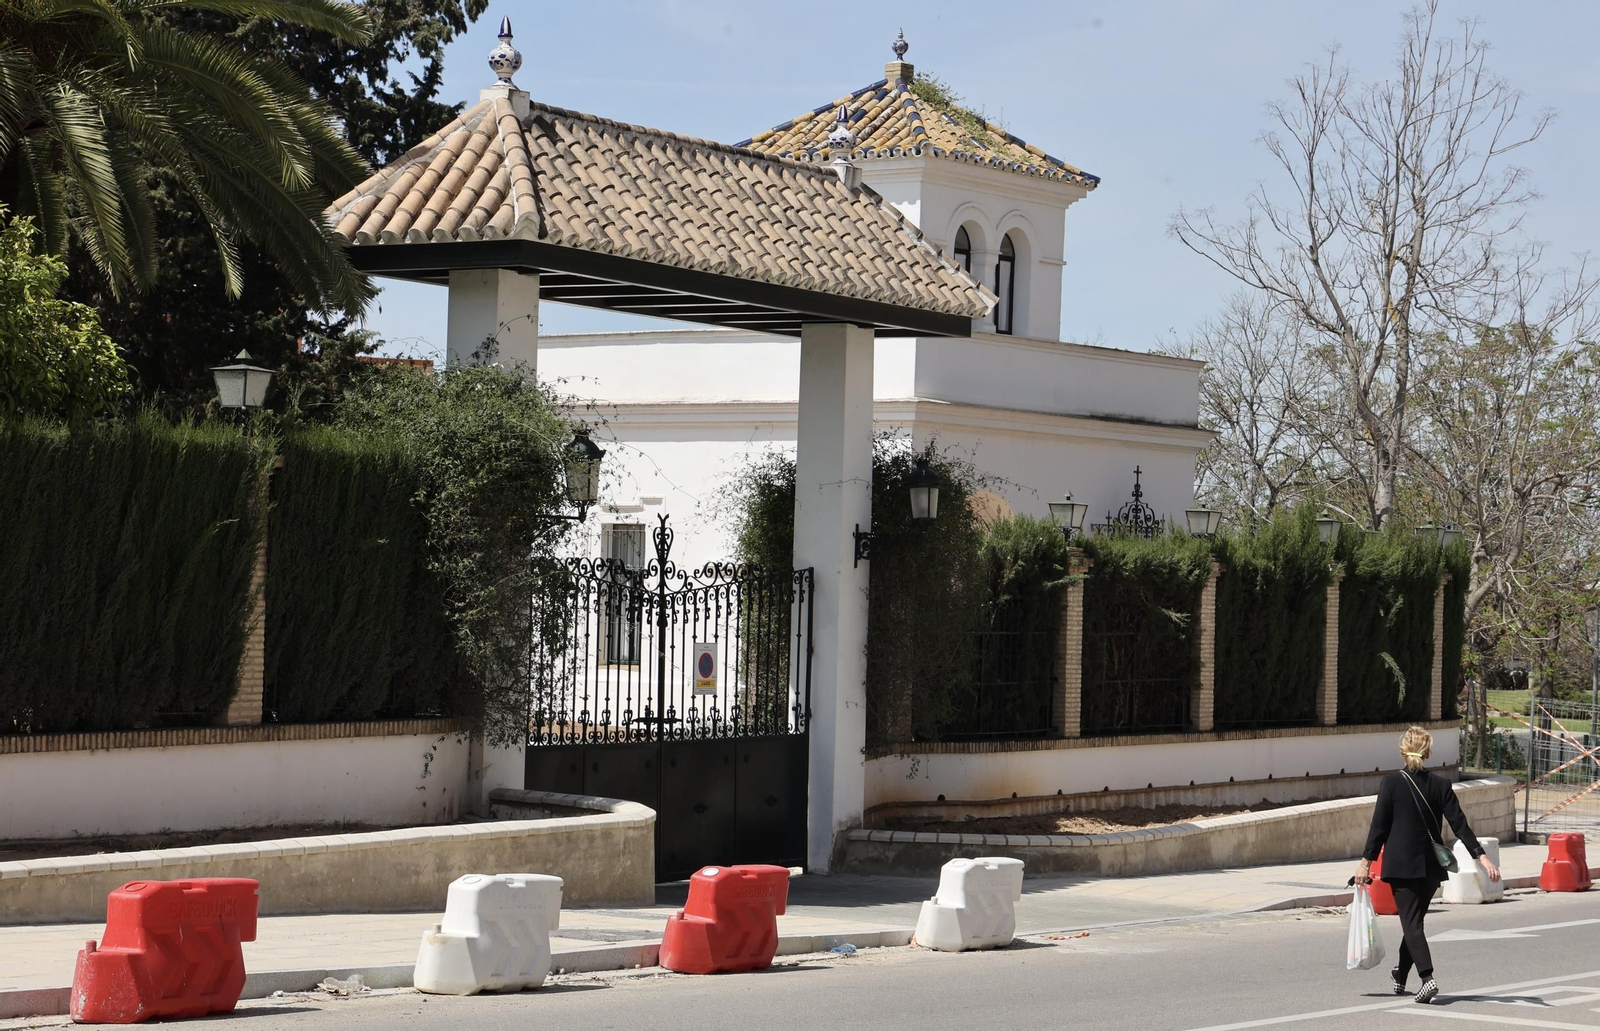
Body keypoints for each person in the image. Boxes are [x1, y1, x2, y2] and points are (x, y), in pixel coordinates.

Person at [1354, 725, 1501, 1004]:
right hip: (1431, 868)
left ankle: (1427, 978)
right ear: (1429, 753)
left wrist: (1365, 864)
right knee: (1415, 923)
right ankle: (1400, 975)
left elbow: (1378, 829)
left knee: (1411, 925)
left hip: (1400, 866)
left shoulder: (1391, 783)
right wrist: (1481, 856)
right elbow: (1460, 824)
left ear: (1402, 752)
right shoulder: (1441, 785)